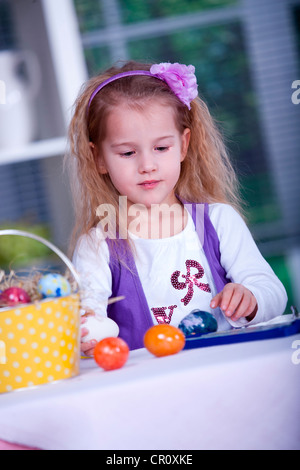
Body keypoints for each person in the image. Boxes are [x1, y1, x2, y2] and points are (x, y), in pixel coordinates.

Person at [66, 60, 287, 356]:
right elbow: (87, 315)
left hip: (226, 371)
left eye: (161, 148)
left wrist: (252, 299)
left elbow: (272, 292)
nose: (147, 165)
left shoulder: (219, 221)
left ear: (183, 145)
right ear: (100, 159)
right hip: (153, 389)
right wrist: (86, 330)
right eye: (128, 152)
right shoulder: (98, 246)